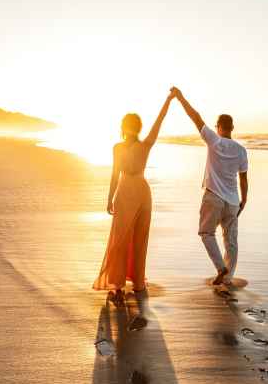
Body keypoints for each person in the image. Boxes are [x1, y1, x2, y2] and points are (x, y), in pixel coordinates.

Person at [92, 91, 176, 305]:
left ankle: (119, 286)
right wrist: (168, 100)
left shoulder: (119, 147)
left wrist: (109, 198)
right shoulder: (144, 145)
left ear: (125, 127)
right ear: (138, 127)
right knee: (137, 239)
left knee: (122, 239)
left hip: (127, 191)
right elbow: (159, 121)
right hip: (141, 191)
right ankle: (135, 284)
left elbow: (114, 174)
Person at [170, 87, 248, 286]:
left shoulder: (214, 140)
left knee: (206, 233)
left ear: (219, 126)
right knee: (231, 240)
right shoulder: (241, 150)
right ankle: (228, 278)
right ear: (232, 127)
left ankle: (221, 268)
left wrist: (180, 97)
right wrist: (244, 200)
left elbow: (195, 117)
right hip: (232, 201)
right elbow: (244, 179)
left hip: (213, 196)